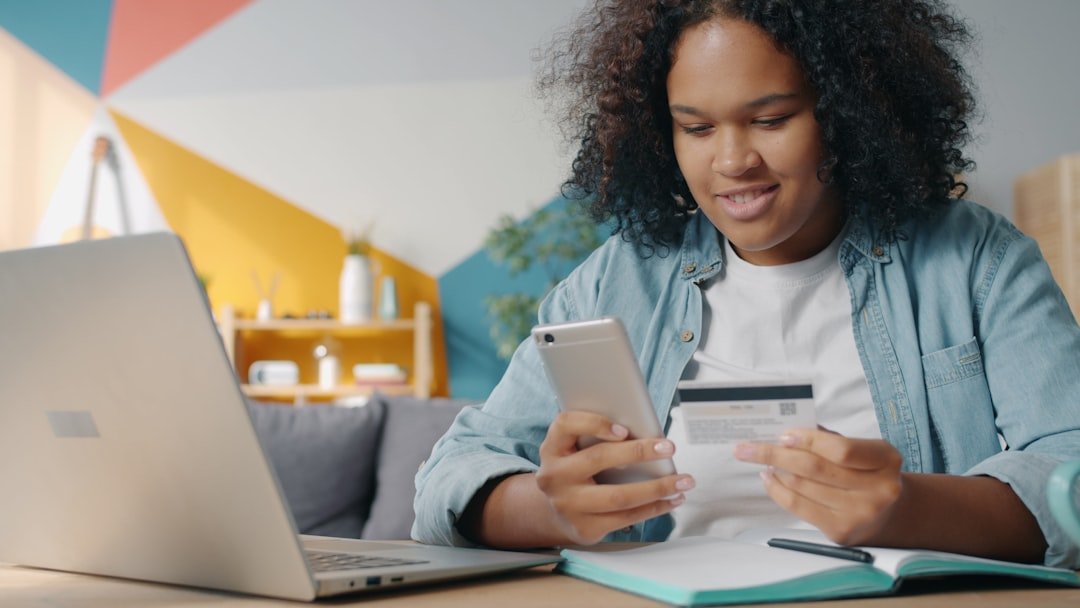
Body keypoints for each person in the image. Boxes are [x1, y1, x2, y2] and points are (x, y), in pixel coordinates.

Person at [413, 0, 1080, 568]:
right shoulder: (619, 278)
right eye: (696, 127)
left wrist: (910, 507)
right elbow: (448, 480)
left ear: (848, 113)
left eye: (771, 119)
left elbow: (1071, 473)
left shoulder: (975, 260)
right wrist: (550, 509)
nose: (732, 161)